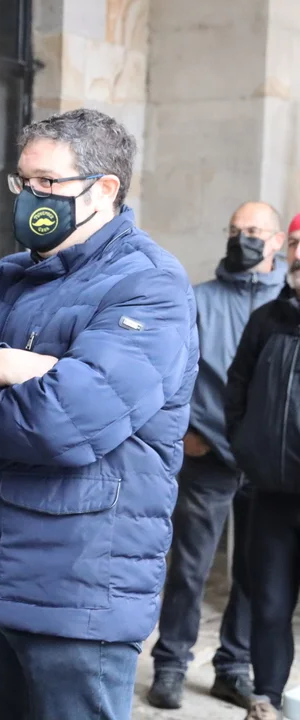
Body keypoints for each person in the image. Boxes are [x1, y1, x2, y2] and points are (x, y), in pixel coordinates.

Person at [0, 108, 198, 720]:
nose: (30, 196)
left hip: (77, 599)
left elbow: (65, 420)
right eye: (23, 181)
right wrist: (5, 362)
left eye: (48, 182)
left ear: (105, 188)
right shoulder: (8, 277)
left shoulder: (150, 284)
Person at [148, 202, 286, 710]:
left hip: (267, 465)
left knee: (254, 573)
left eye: (253, 230)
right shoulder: (200, 299)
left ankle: (233, 667)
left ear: (276, 242)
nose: (241, 238)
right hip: (207, 456)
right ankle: (171, 664)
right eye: (234, 229)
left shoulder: (288, 305)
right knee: (190, 568)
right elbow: (169, 371)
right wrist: (184, 430)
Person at [225, 213, 300, 720]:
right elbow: (237, 388)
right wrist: (245, 447)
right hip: (270, 495)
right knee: (269, 605)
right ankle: (267, 700)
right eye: (295, 243)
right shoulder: (267, 320)